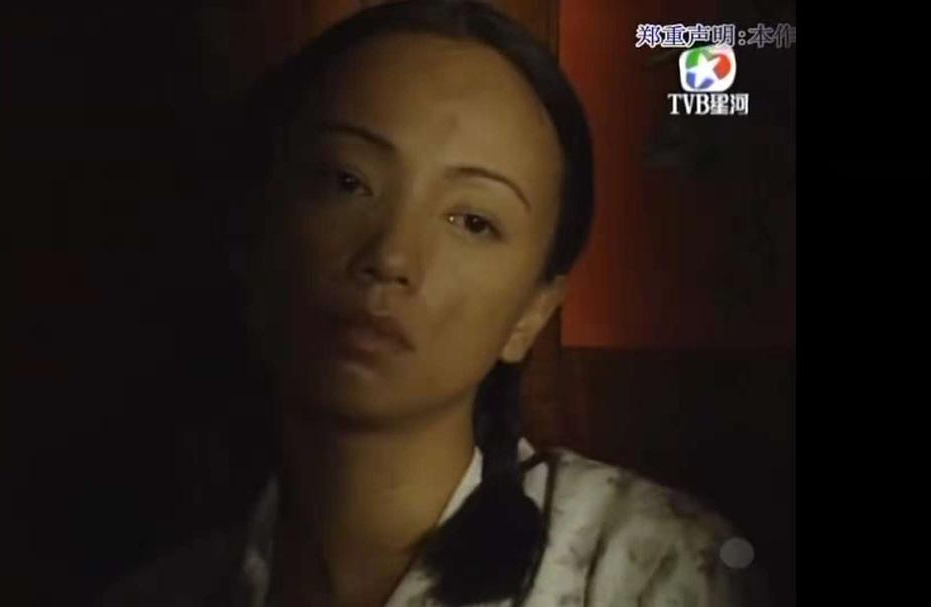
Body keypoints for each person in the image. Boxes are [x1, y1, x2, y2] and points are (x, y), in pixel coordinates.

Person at [104, 1, 765, 605]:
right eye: (346, 181)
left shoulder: (650, 565)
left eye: (473, 221)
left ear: (532, 313)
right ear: (254, 227)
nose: (391, 256)